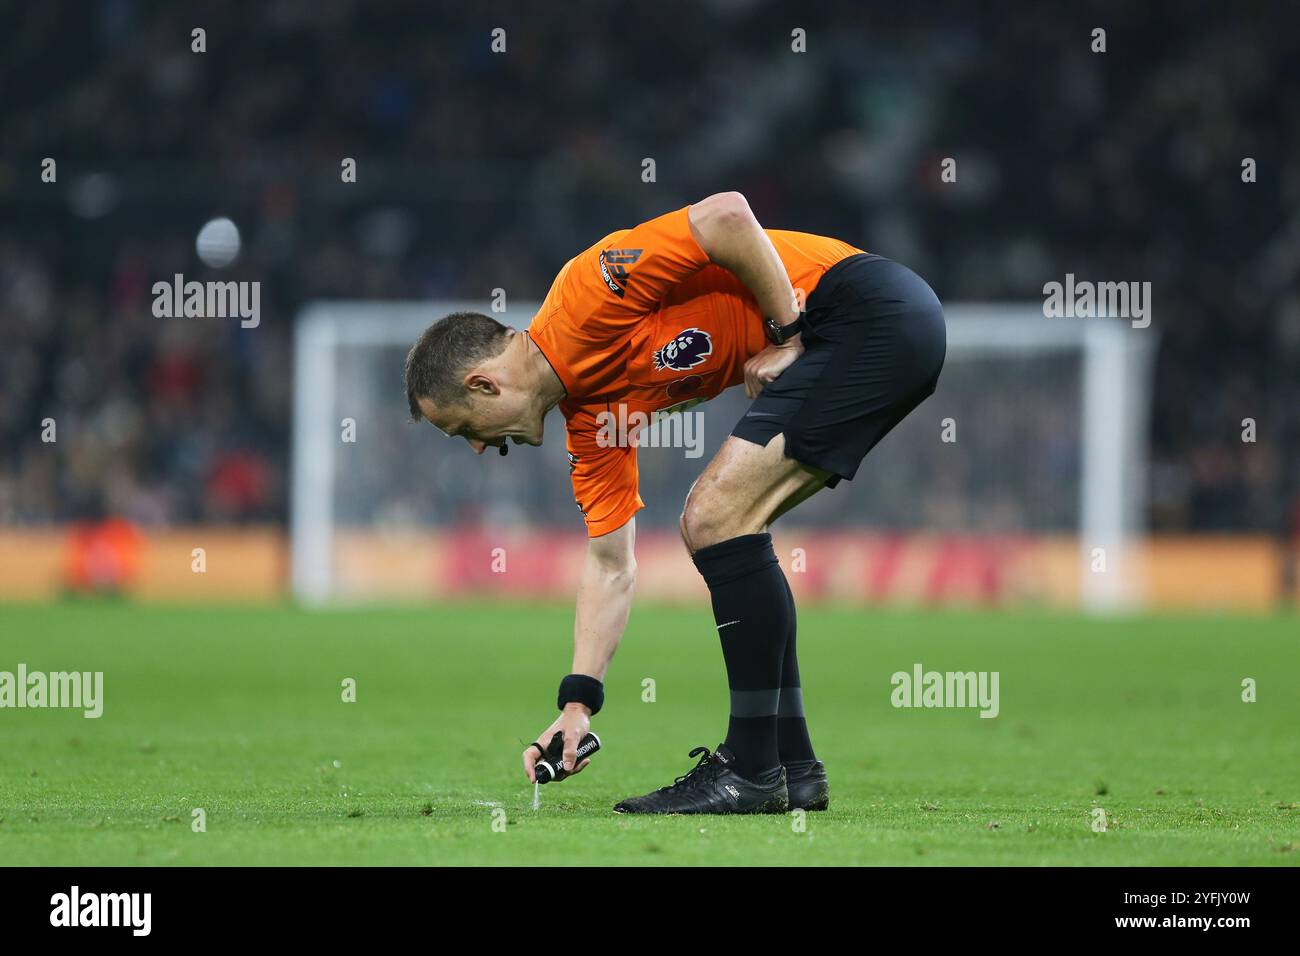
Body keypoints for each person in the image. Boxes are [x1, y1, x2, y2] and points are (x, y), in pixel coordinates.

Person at [404, 192, 946, 813]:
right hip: (868, 333)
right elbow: (612, 564)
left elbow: (727, 215)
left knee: (714, 518)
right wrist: (576, 707)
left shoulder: (588, 292)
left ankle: (749, 768)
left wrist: (787, 333)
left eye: (464, 429)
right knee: (733, 526)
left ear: (483, 383)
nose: (477, 448)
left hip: (862, 312)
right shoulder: (590, 423)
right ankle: (792, 767)